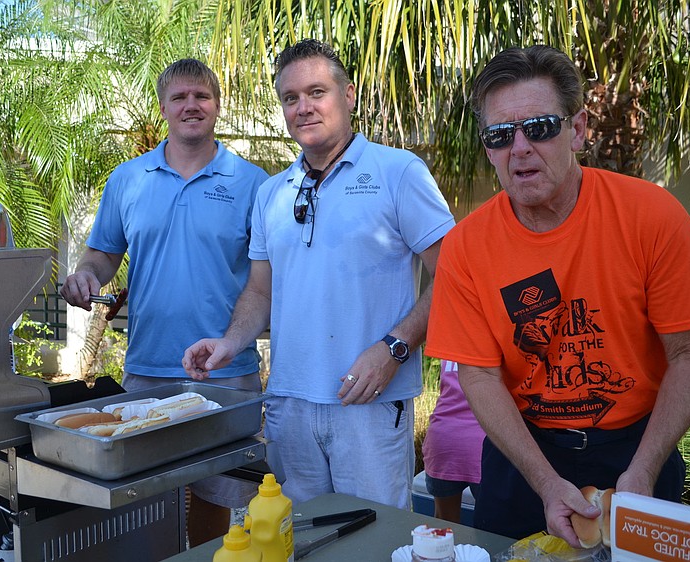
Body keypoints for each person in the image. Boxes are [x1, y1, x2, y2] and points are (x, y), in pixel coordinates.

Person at [426, 44, 690, 546]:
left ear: (578, 130)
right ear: (489, 148)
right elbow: (479, 374)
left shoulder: (652, 217)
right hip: (524, 454)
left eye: (539, 128)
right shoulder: (466, 246)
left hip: (638, 448)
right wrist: (544, 482)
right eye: (500, 135)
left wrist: (644, 468)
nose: (520, 148)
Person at [182, 39, 455, 510]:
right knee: (298, 537)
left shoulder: (398, 172)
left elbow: (454, 274)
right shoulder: (272, 193)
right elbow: (260, 290)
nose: (303, 107)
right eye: (290, 98)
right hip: (288, 405)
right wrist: (230, 342)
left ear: (348, 95)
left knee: (375, 537)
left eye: (316, 92)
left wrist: (395, 348)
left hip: (369, 404)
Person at [60, 58, 269, 546]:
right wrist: (86, 274)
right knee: (146, 501)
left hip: (225, 372)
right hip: (147, 369)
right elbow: (103, 253)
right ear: (163, 107)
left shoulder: (253, 183)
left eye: (201, 96)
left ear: (217, 105)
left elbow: (266, 280)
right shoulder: (128, 179)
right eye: (179, 97)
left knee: (217, 495)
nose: (191, 105)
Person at [422, 360, 484, 523]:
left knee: (444, 525)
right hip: (486, 443)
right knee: (492, 529)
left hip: (443, 437)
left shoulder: (449, 344)